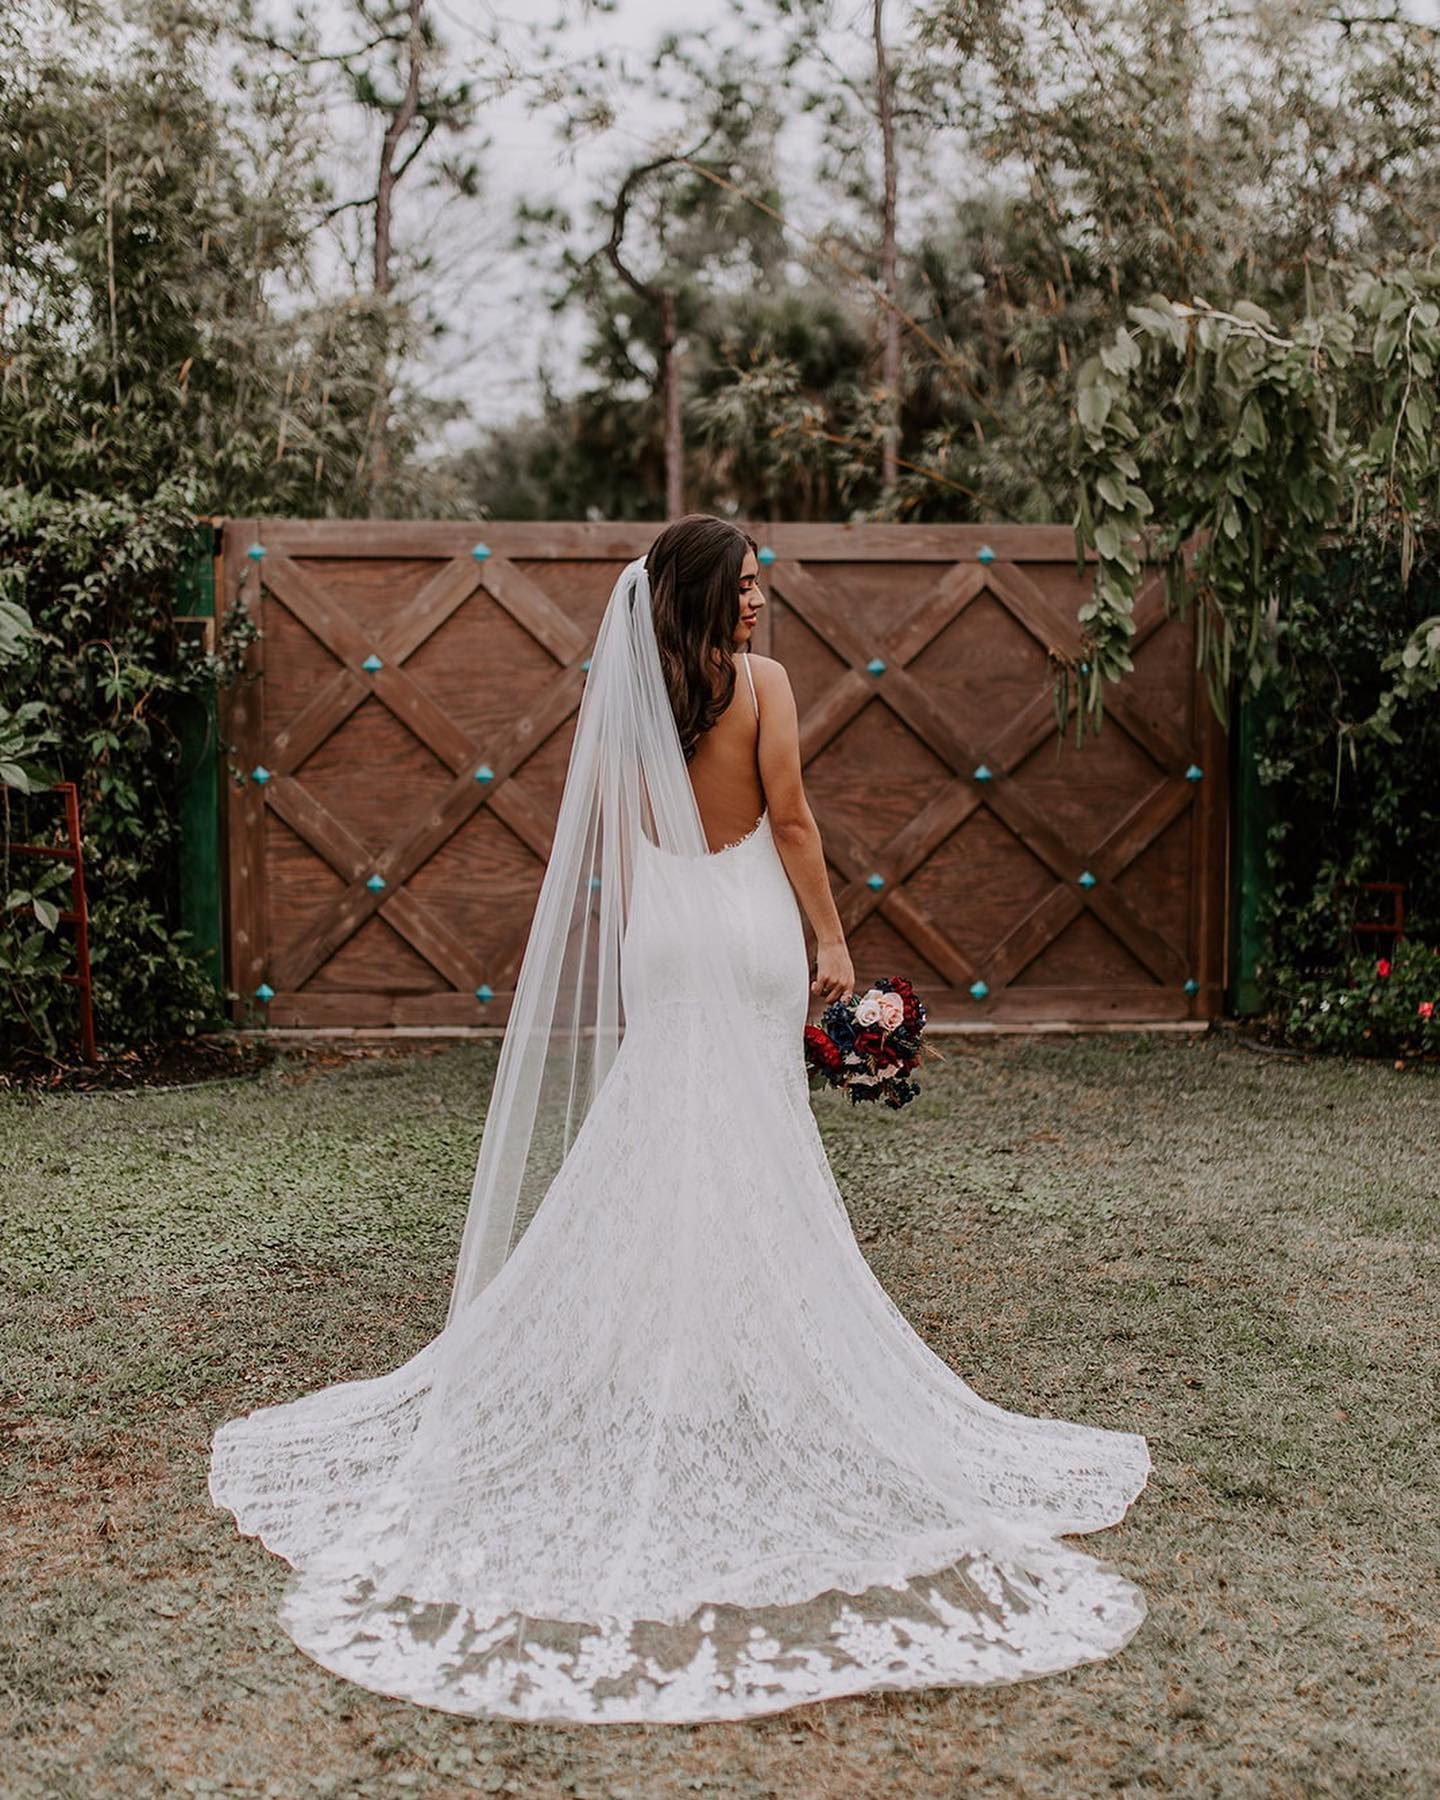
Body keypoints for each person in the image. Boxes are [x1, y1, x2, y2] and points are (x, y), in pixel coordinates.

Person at [209, 514, 1151, 1724]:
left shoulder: (629, 696)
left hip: (664, 934)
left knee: (662, 1136)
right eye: (749, 587)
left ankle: (680, 1360)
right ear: (711, 597)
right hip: (751, 927)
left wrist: (651, 925)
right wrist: (833, 940)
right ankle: (725, 1363)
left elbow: (610, 843)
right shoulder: (759, 687)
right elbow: (794, 823)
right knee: (747, 1139)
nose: (764, 604)